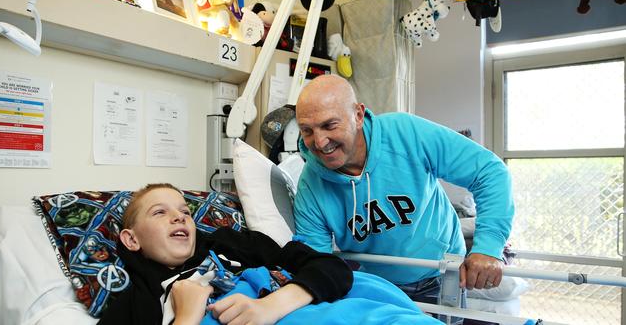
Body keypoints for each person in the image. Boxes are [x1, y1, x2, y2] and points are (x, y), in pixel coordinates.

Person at [293, 75, 514, 309]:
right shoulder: (310, 186)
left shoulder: (405, 133)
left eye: (329, 125)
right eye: (307, 130)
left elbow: (490, 172)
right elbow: (315, 263)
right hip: (377, 283)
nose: (319, 142)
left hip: (443, 273)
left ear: (358, 115)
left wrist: (488, 248)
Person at [98, 183, 353, 325]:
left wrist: (270, 306)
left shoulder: (231, 244)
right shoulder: (136, 304)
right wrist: (186, 318)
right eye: (159, 212)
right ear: (131, 240)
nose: (179, 217)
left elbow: (332, 268)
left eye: (185, 212)